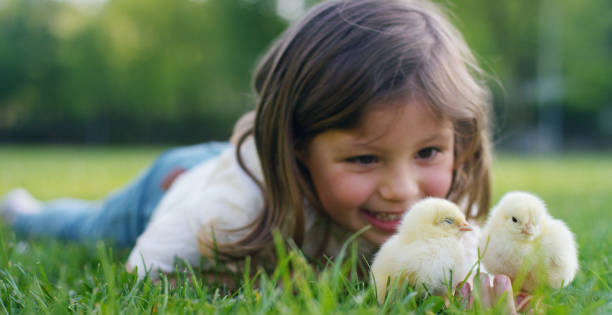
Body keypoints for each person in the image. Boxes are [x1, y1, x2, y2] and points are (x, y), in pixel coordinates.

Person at [0, 0, 523, 311]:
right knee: (86, 227)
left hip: (249, 160)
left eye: (428, 152)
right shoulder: (225, 210)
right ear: (297, 147)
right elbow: (141, 280)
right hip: (177, 182)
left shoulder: (442, 214)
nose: (404, 189)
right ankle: (25, 211)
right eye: (364, 159)